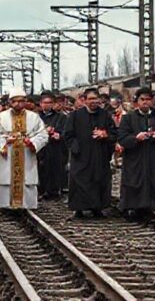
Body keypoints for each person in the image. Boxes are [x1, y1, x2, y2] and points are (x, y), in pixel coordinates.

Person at [118, 87, 155, 219]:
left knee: (151, 180)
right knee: (133, 181)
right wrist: (135, 138)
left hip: (152, 156)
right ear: (137, 102)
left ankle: (149, 206)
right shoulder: (128, 118)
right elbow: (122, 138)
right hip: (134, 157)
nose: (145, 102)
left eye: (148, 99)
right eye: (142, 99)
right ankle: (130, 206)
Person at [64, 88, 117, 218]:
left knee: (98, 180)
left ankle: (97, 208)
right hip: (81, 154)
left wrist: (105, 135)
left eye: (95, 99)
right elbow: (68, 135)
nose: (93, 101)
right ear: (85, 100)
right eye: (90, 99)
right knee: (79, 181)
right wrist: (75, 148)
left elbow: (114, 133)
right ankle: (79, 209)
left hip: (99, 154)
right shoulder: (75, 115)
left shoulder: (105, 115)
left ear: (99, 100)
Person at [0, 88, 48, 209]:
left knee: (27, 179)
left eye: (21, 101)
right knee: (6, 178)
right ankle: (5, 205)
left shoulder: (34, 117)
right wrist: (5, 142)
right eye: (15, 101)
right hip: (9, 152)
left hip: (26, 152)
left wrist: (32, 142)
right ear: (10, 102)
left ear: (26, 101)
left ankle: (26, 204)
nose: (18, 104)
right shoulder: (0, 117)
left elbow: (43, 135)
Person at [36, 90, 68, 200]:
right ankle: (41, 190)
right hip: (40, 148)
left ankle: (53, 191)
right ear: (40, 104)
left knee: (55, 169)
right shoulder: (36, 117)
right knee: (41, 169)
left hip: (55, 147)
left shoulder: (61, 117)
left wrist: (59, 135)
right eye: (44, 102)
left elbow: (65, 132)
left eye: (49, 102)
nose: (46, 105)